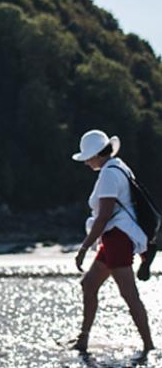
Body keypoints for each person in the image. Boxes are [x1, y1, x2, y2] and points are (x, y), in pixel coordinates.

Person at [71, 129, 154, 356]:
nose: (86, 162)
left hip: (118, 239)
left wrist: (84, 247)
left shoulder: (109, 175)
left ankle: (149, 345)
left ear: (97, 155)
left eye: (87, 157)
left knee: (129, 294)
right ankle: (83, 339)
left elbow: (104, 216)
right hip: (114, 238)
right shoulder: (118, 167)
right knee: (88, 285)